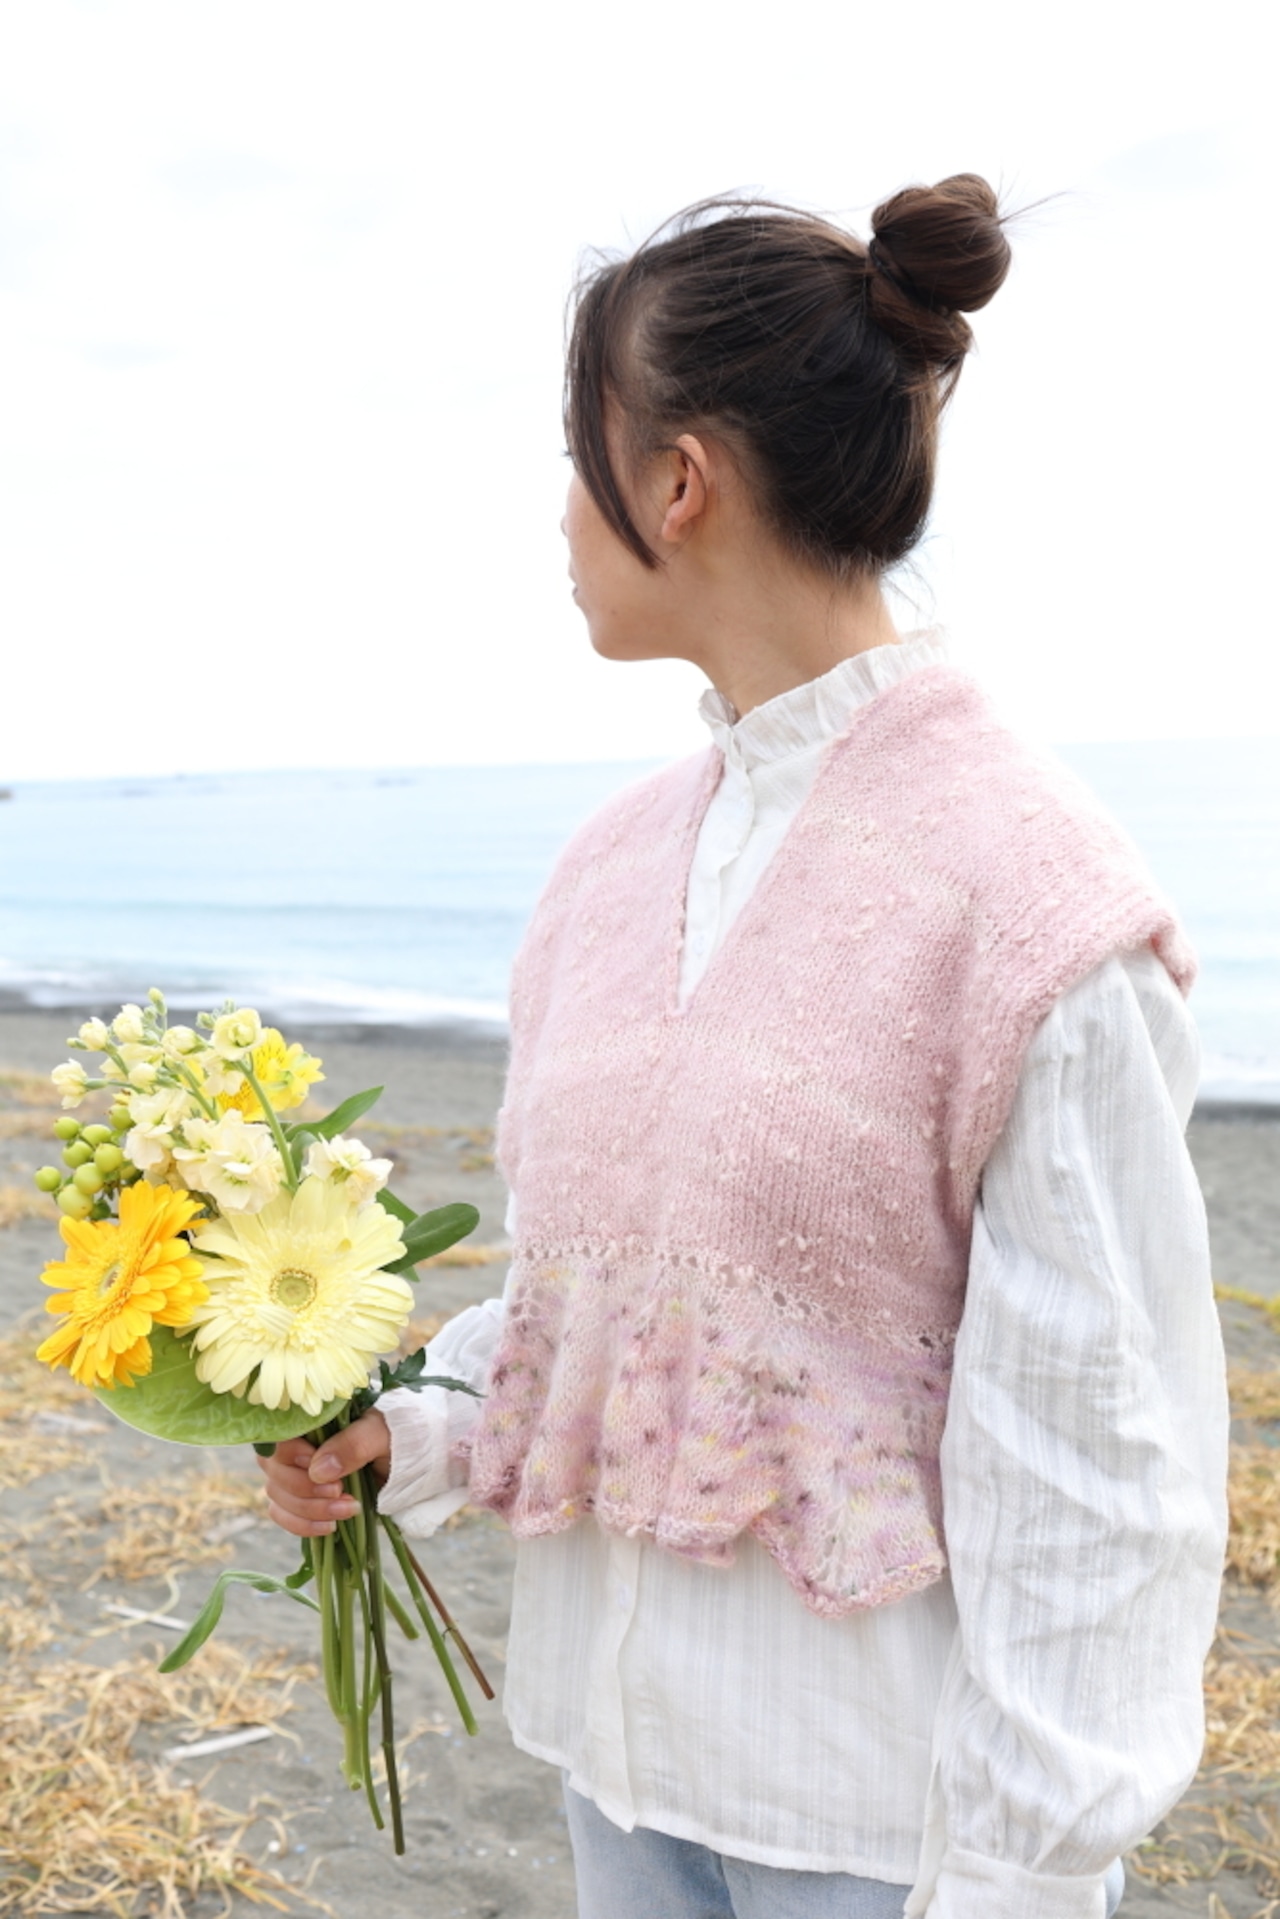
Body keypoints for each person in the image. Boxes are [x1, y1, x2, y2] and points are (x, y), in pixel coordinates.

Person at [259, 174, 1228, 1919]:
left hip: (887, 1834)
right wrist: (412, 1427)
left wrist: (1017, 1871)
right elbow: (600, 1292)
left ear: (678, 483)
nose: (560, 514)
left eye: (578, 457)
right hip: (617, 1785)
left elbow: (1101, 1448)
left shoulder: (1028, 899)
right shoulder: (610, 867)